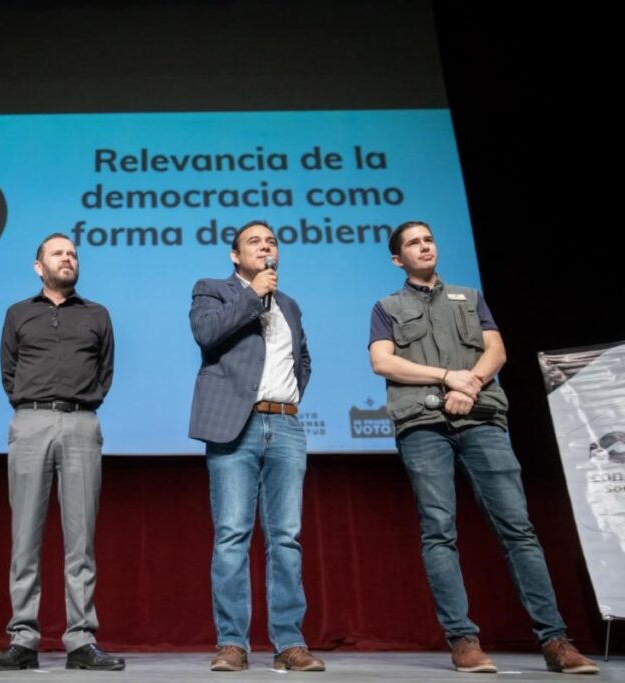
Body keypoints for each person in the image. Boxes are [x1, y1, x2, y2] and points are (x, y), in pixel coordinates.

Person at [368, 220, 599, 675]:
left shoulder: (469, 297)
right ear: (398, 259)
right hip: (422, 424)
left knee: (518, 528)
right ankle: (463, 641)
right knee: (439, 531)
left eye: (429, 239)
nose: (425, 246)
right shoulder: (386, 306)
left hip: (482, 420)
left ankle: (555, 641)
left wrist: (468, 386)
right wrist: (445, 377)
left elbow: (496, 351)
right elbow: (382, 361)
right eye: (414, 243)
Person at [188, 221, 324, 673]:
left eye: (271, 242)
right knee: (231, 535)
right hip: (235, 425)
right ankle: (232, 643)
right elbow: (208, 336)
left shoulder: (289, 304)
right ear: (235, 255)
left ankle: (289, 642)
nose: (266, 247)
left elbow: (301, 359)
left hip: (285, 425)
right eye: (255, 242)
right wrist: (253, 295)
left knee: (286, 537)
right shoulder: (213, 289)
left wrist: (289, 396)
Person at [0, 233, 123, 672]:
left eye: (73, 254)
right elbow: (8, 371)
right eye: (59, 253)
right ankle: (23, 638)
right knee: (25, 536)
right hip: (29, 422)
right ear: (38, 265)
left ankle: (81, 640)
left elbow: (105, 372)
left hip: (82, 423)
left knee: (80, 540)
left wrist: (79, 402)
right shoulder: (18, 314)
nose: (68, 259)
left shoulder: (97, 314)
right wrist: (32, 405)